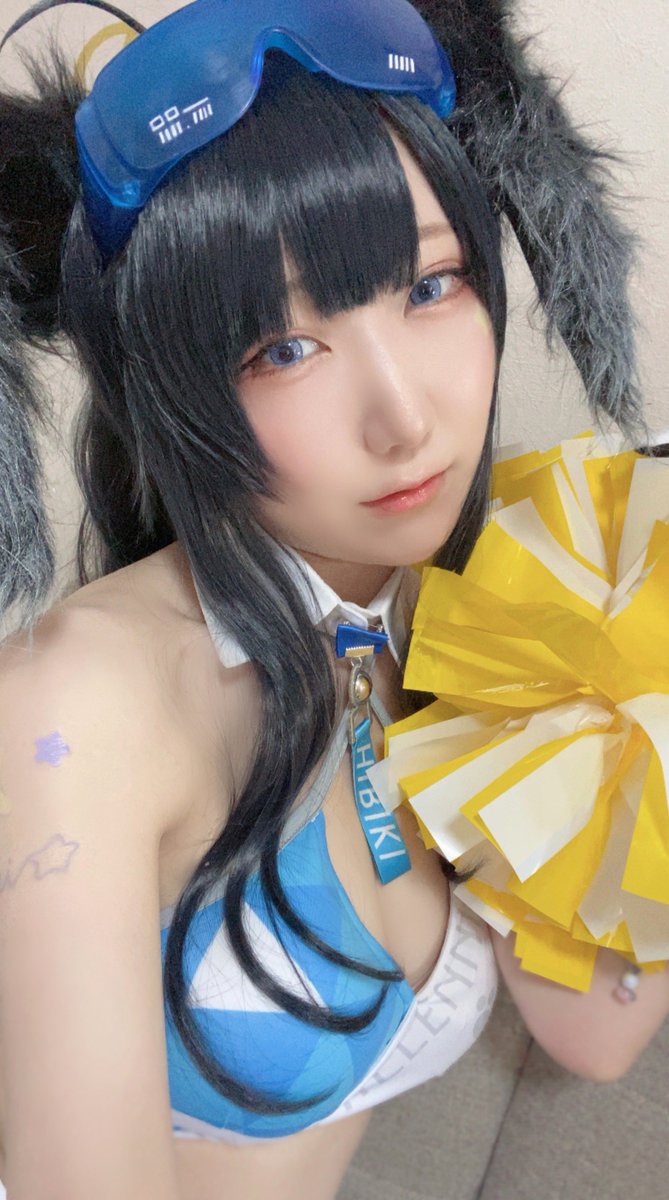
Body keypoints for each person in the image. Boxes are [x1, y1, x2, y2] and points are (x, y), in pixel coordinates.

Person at [0, 2, 667, 1198]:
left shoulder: (497, 602)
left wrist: (645, 701)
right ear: (173, 390)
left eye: (433, 284)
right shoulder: (76, 712)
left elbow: (591, 1031)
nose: (405, 417)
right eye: (281, 348)